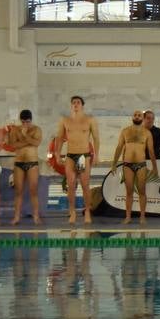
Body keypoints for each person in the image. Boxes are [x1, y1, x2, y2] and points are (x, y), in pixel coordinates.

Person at [56, 95, 100, 225]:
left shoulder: (89, 120)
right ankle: (72, 211)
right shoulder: (65, 120)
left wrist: (96, 155)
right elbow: (59, 138)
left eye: (78, 102)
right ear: (71, 105)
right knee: (71, 186)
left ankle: (87, 211)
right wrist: (57, 154)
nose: (76, 104)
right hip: (70, 156)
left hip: (84, 156)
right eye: (74, 102)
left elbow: (96, 138)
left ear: (82, 105)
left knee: (85, 185)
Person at [110, 109, 159, 224]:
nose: (137, 117)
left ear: (142, 118)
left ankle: (142, 216)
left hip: (141, 165)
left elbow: (151, 151)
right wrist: (114, 164)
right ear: (132, 117)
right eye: (135, 115)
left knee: (142, 191)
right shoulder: (125, 131)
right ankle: (128, 217)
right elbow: (119, 148)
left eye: (139, 115)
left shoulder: (147, 133)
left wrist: (155, 167)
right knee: (129, 192)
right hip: (127, 165)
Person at [6, 109, 43, 225]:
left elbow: (37, 143)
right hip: (19, 163)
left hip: (32, 163)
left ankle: (36, 217)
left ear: (31, 120)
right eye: (23, 122)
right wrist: (28, 141)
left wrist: (24, 135)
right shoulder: (15, 129)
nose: (25, 124)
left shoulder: (37, 129)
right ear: (20, 120)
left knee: (33, 191)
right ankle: (16, 217)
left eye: (27, 122)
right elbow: (12, 144)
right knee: (18, 191)